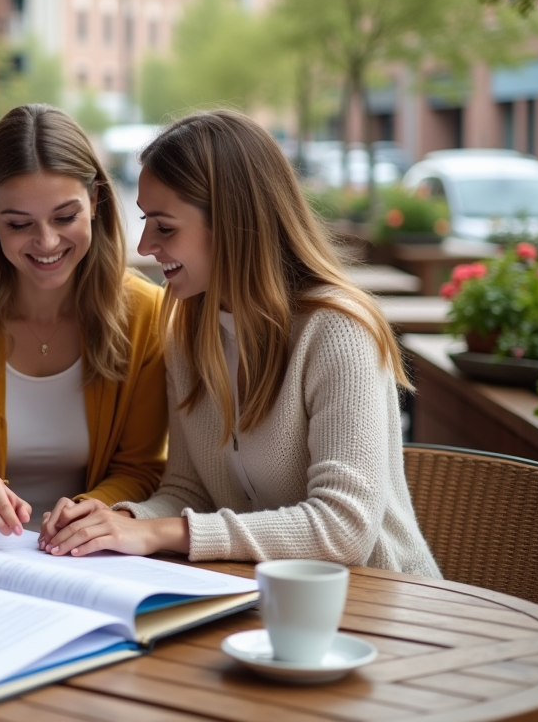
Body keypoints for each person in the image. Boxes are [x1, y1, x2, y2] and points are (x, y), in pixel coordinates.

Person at [40, 109, 440, 579]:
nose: (145, 245)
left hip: (382, 604)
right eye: (146, 220)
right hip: (260, 598)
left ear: (233, 224)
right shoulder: (189, 333)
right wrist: (119, 521)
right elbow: (189, 491)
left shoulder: (337, 331)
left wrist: (161, 534)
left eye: (165, 227)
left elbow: (344, 529)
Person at [0, 104, 168, 536]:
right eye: (19, 223)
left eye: (65, 217)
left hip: (93, 555)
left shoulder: (145, 313)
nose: (46, 242)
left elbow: (142, 469)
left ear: (96, 200)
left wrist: (87, 515)